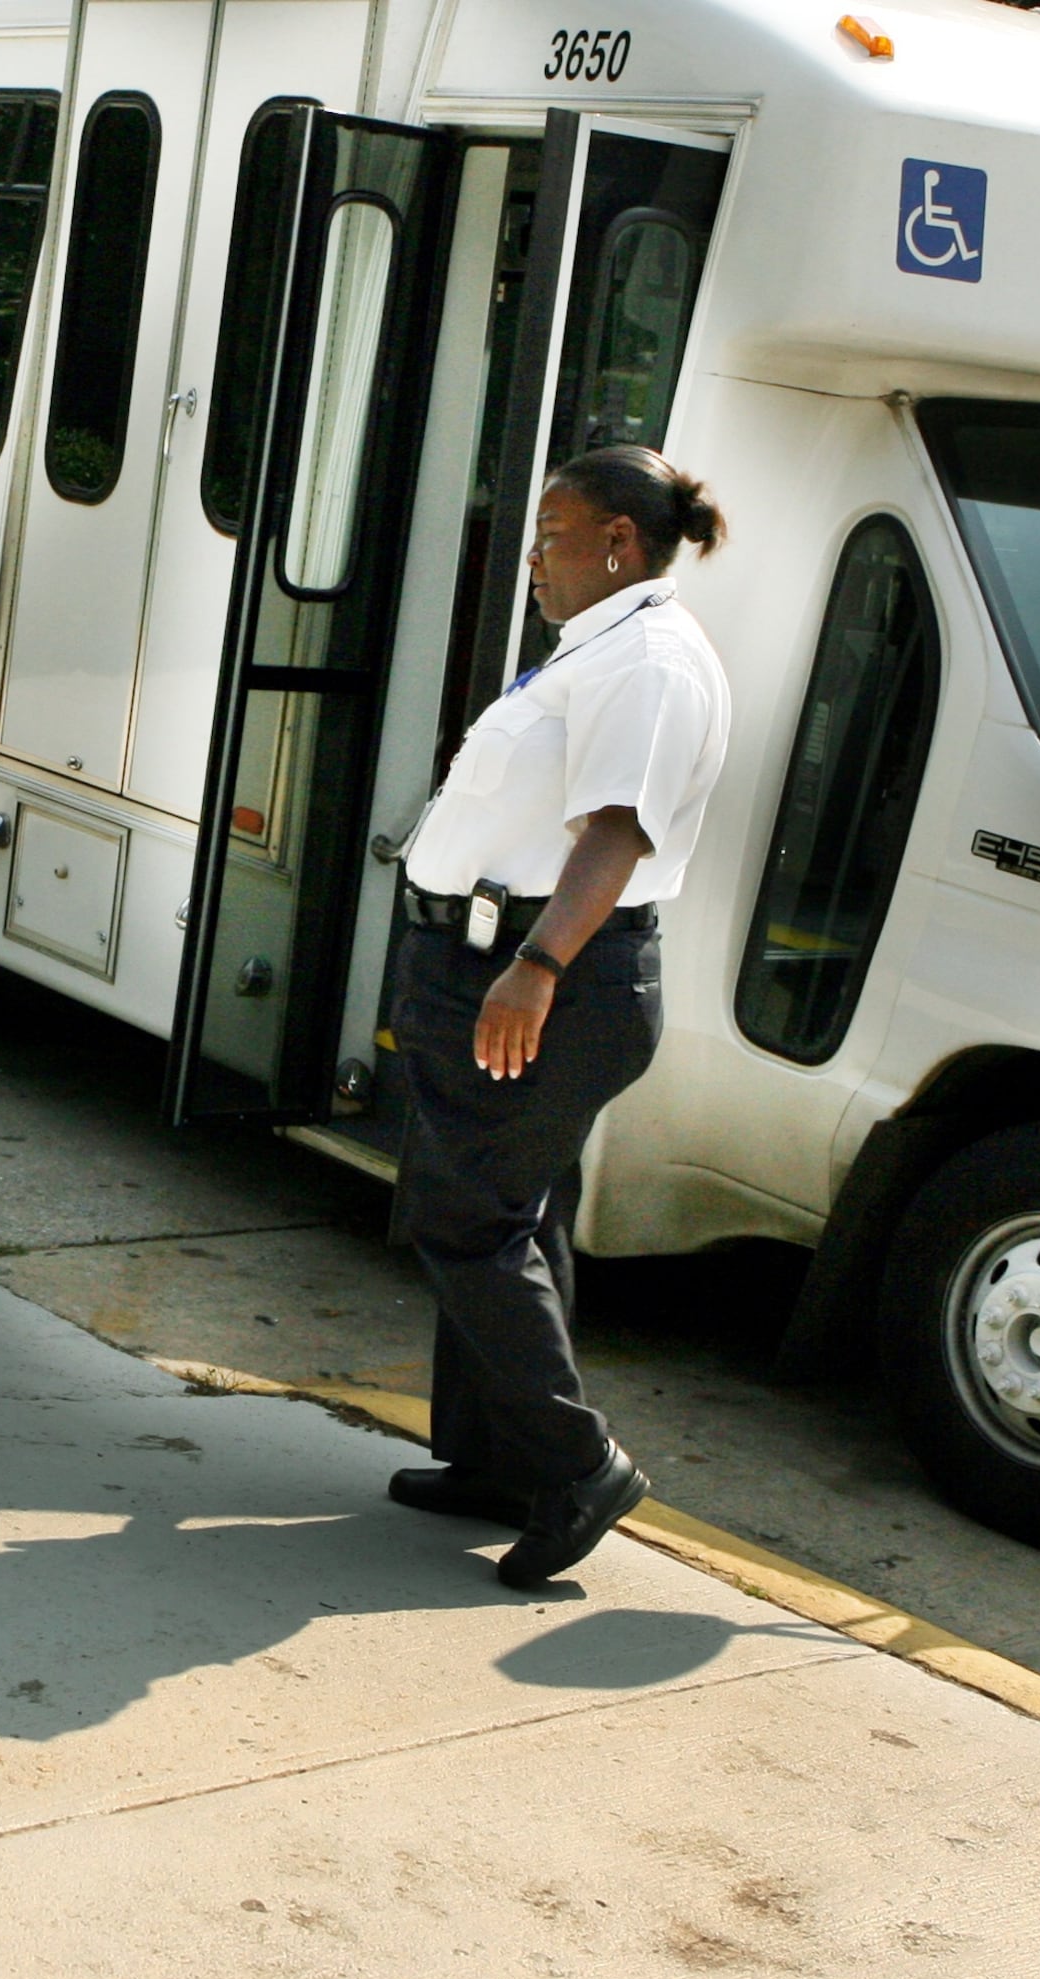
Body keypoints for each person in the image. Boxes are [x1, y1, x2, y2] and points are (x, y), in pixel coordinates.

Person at [385, 447, 733, 1588]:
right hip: (499, 960)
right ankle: (499, 1461)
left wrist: (533, 967)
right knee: (513, 1217)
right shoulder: (602, 649)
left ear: (619, 543)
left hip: (550, 975)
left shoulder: (648, 664)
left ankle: (577, 1467)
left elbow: (614, 835)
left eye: (550, 533)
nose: (530, 554)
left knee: (469, 1219)